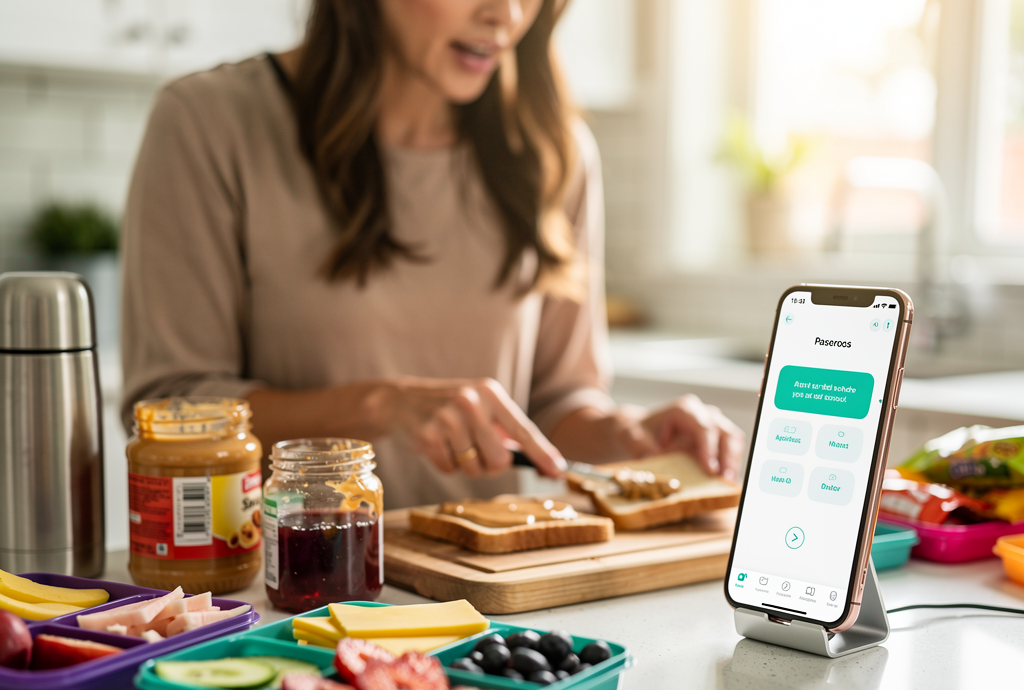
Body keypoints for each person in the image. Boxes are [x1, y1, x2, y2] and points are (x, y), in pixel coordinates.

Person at [121, 0, 743, 509]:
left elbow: (555, 400)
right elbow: (172, 407)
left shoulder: (555, 151)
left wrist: (627, 434)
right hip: (286, 594)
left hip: (480, 600)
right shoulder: (208, 123)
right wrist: (379, 407)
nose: (506, 14)